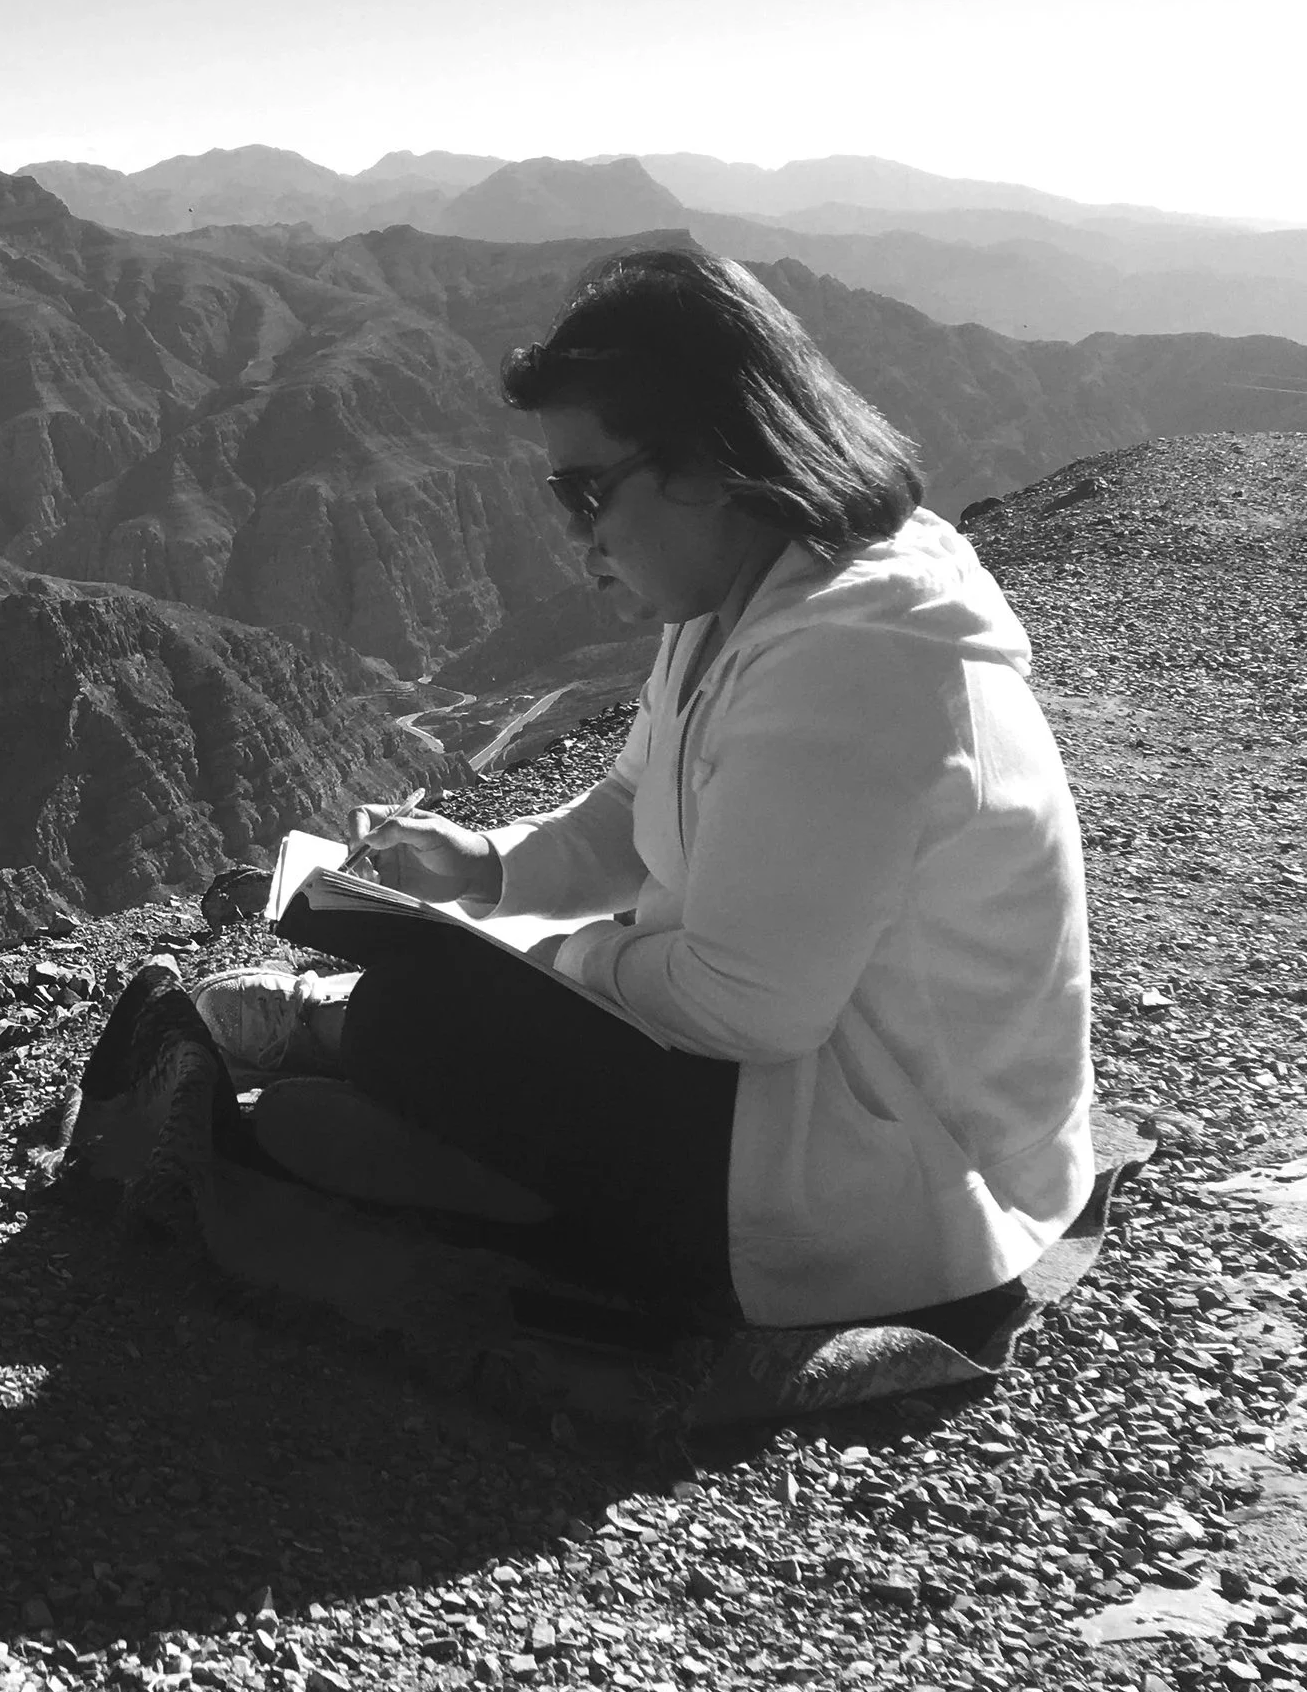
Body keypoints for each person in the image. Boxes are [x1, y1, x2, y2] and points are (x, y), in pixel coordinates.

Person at [197, 248, 1093, 1331]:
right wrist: (484, 868)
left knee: (418, 1021)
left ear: (713, 461)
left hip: (888, 1171)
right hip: (820, 1077)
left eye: (585, 490)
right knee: (430, 1009)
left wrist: (536, 960)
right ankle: (394, 1089)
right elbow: (634, 803)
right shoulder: (745, 596)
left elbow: (742, 1005)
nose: (574, 533)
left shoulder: (848, 664)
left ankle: (443, 1139)